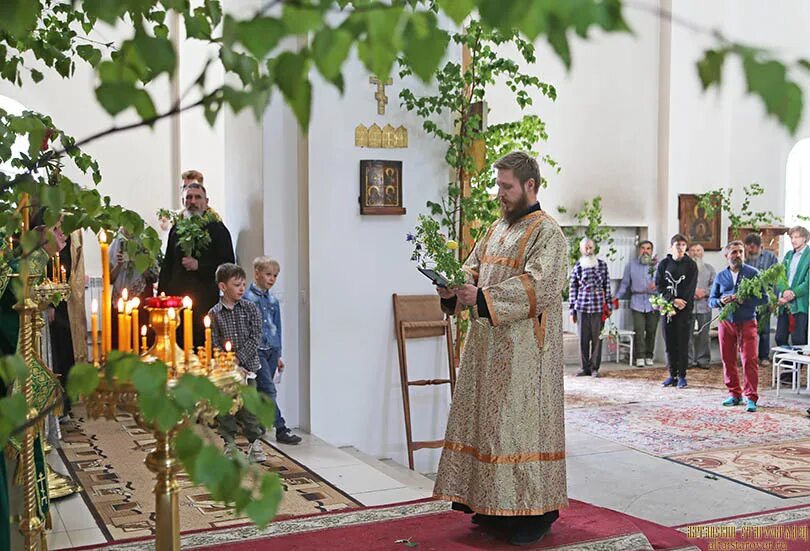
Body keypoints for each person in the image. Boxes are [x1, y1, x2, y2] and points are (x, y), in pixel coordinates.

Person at [433, 151, 568, 546]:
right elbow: (473, 269)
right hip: (488, 348)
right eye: (499, 185)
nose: (500, 194)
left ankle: (531, 514)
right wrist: (452, 288)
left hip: (525, 356)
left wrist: (481, 297)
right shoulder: (496, 228)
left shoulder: (549, 233)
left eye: (506, 186)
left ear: (530, 186)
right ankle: (492, 507)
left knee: (515, 430)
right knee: (489, 428)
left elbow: (538, 286)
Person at [159, 180, 235, 348]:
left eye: (197, 197)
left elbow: (228, 265)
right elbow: (167, 264)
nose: (193, 202)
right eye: (189, 198)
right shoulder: (176, 229)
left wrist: (200, 266)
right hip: (177, 300)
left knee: (202, 346)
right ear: (183, 202)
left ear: (206, 202)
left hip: (205, 299)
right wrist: (162, 295)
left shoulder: (218, 230)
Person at [208, 263, 267, 462]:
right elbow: (213, 342)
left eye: (243, 284)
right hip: (226, 371)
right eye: (236, 285)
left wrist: (239, 360)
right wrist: (229, 364)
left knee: (249, 407)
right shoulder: (214, 313)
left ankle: (254, 443)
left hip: (248, 368)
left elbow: (255, 337)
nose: (242, 288)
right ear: (223, 287)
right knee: (226, 408)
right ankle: (229, 444)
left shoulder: (251, 308)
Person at [244, 257, 301, 445]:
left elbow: (277, 327)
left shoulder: (273, 300)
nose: (272, 279)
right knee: (268, 388)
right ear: (257, 273)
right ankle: (280, 428)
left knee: (264, 389)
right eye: (268, 274)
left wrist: (279, 353)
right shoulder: (247, 299)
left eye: (275, 276)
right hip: (256, 350)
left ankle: (259, 423)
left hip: (271, 350)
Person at [709, 241, 766, 413]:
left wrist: (745, 300)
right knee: (727, 358)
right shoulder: (720, 276)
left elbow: (765, 298)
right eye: (734, 252)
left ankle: (751, 397)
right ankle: (734, 394)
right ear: (726, 256)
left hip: (747, 321)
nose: (738, 255)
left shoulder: (753, 273)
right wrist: (720, 301)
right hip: (726, 322)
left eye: (741, 252)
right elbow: (711, 300)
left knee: (749, 359)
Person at [656, 234, 698, 389]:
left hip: (684, 309)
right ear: (671, 247)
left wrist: (681, 302)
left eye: (683, 245)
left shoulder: (691, 265)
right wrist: (671, 300)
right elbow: (659, 285)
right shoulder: (664, 264)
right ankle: (671, 375)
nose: (680, 248)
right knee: (669, 342)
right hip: (667, 309)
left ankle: (682, 375)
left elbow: (690, 287)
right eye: (677, 245)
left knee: (682, 342)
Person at [569, 237, 612, 377]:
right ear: (581, 250)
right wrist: (572, 311)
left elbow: (607, 286)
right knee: (583, 339)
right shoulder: (577, 266)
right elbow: (572, 289)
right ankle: (584, 368)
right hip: (581, 307)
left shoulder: (602, 265)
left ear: (594, 248)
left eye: (590, 248)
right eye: (586, 248)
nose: (588, 250)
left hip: (598, 308)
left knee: (597, 339)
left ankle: (594, 368)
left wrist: (609, 306)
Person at [617, 240, 659, 367]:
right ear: (639, 250)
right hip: (637, 301)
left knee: (651, 330)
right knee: (639, 329)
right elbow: (624, 284)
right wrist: (616, 297)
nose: (645, 251)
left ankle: (649, 355)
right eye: (643, 248)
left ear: (651, 251)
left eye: (648, 248)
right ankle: (639, 356)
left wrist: (657, 286)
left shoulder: (658, 266)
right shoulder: (631, 265)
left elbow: (665, 283)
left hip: (654, 302)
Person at [744, 233, 779, 365]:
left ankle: (764, 357)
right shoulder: (743, 257)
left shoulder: (770, 258)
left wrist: (773, 300)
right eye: (748, 248)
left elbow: (776, 279)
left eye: (753, 248)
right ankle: (748, 357)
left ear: (760, 247)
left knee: (764, 329)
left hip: (765, 298)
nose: (751, 250)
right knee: (747, 330)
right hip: (748, 300)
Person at [775, 226, 810, 349]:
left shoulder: (809, 255)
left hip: (800, 302)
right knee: (780, 336)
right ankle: (788, 366)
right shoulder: (789, 255)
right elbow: (780, 275)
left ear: (805, 238)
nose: (793, 240)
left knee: (798, 338)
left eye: (797, 237)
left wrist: (792, 294)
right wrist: (784, 291)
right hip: (784, 301)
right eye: (792, 237)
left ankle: (797, 368)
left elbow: (807, 283)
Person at [687, 244, 715, 369]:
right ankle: (687, 360)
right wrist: (691, 292)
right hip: (688, 306)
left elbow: (715, 286)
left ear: (702, 253)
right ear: (688, 253)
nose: (695, 253)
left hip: (704, 306)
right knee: (687, 335)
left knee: (705, 334)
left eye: (698, 250)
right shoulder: (684, 268)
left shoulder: (709, 269)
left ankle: (703, 360)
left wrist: (704, 292)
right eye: (692, 250)